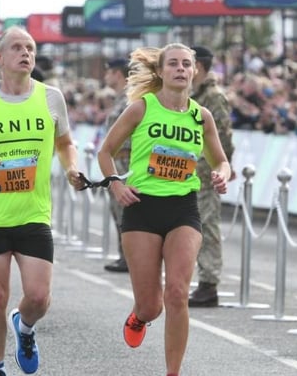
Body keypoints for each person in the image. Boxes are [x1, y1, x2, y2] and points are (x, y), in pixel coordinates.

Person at [0, 26, 83, 376]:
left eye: (31, 48)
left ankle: (25, 327)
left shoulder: (51, 97)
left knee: (38, 298)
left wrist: (71, 169)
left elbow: (66, 143)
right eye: (17, 48)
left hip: (33, 213)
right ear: (0, 57)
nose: (26, 53)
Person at [97, 43, 231, 376]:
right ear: (160, 71)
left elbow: (222, 160)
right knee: (152, 305)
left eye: (187, 64)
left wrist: (221, 175)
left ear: (195, 71)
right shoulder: (141, 108)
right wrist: (115, 184)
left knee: (177, 293)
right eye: (173, 64)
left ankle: (173, 372)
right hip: (142, 208)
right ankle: (139, 315)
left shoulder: (202, 116)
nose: (181, 69)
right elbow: (106, 151)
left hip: (183, 209)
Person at [187, 45, 235, 307]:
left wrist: (222, 167)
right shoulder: (194, 94)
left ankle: (209, 283)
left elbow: (223, 136)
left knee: (208, 228)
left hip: (206, 174)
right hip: (191, 173)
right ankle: (202, 280)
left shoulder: (213, 97)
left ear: (200, 68)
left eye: (189, 64)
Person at [100, 58, 131, 273]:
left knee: (125, 211)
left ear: (118, 73)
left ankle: (129, 256)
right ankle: (125, 255)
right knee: (117, 211)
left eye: (109, 72)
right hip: (116, 161)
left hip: (126, 162)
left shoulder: (131, 99)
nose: (106, 76)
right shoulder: (121, 98)